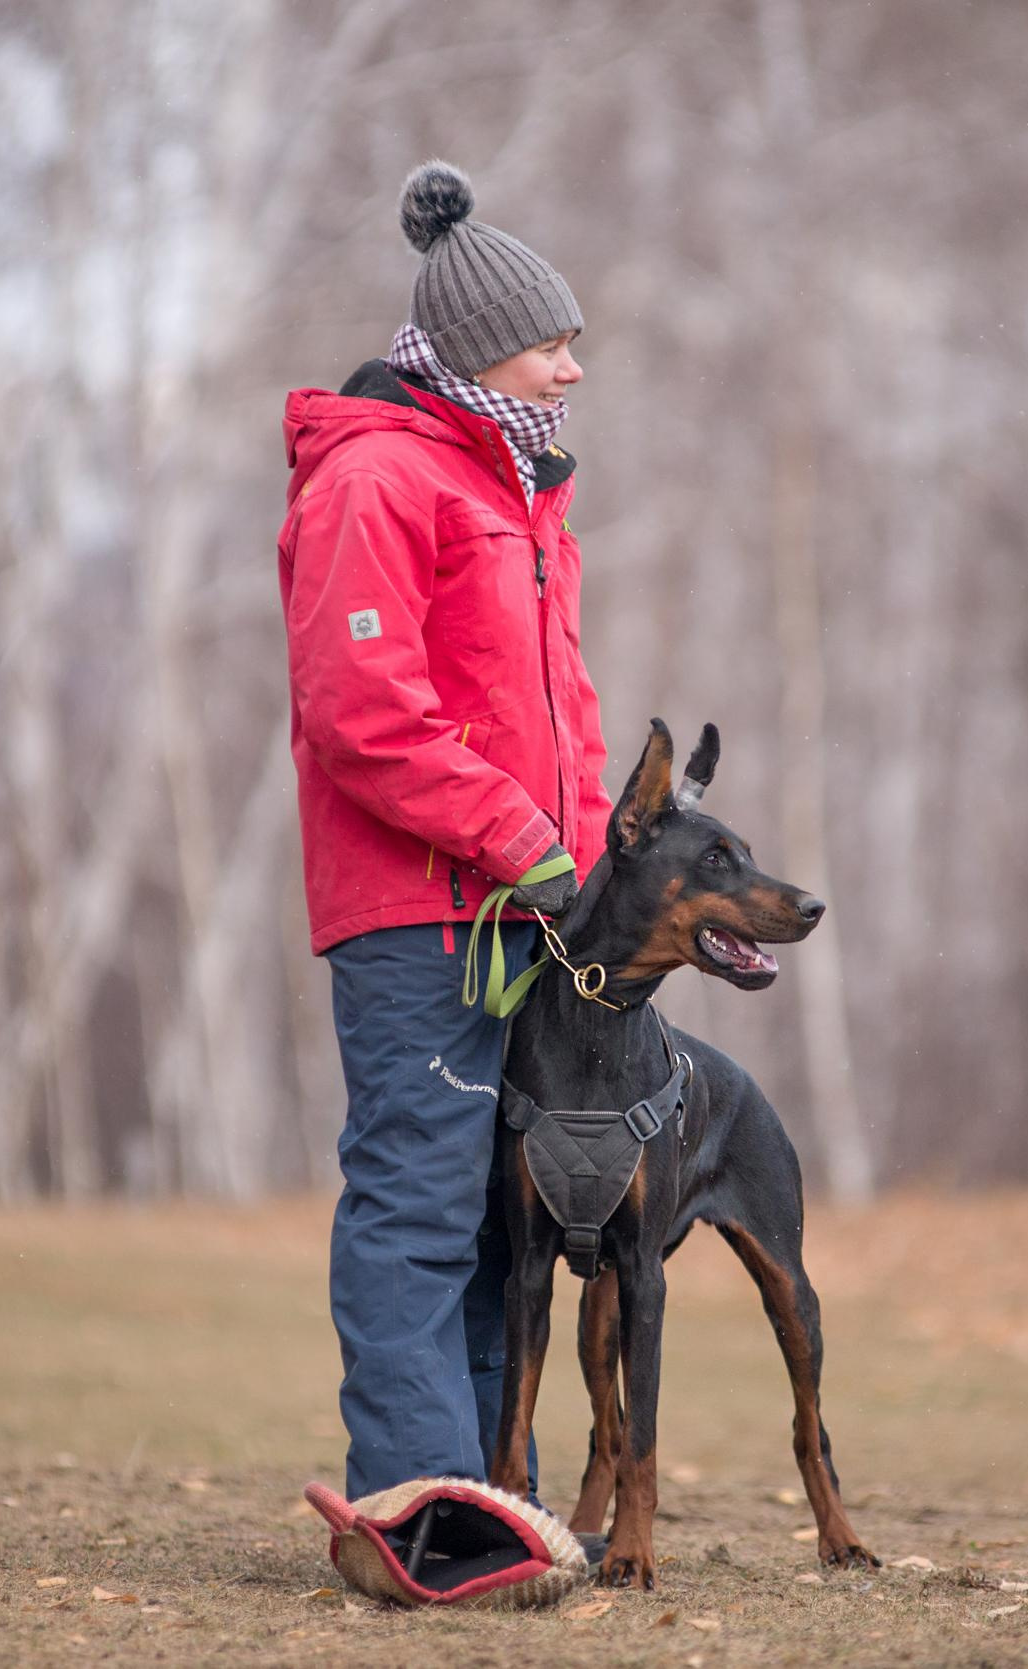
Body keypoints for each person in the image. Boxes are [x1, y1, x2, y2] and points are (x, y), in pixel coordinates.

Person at [276, 161, 613, 1502]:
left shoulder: (518, 491)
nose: (572, 369)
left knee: (497, 1222)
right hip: (420, 913)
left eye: (575, 342)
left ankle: (497, 1499)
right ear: (478, 351)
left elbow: (565, 714)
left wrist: (582, 871)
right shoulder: (374, 479)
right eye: (551, 343)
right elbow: (361, 708)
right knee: (418, 1208)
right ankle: (421, 1505)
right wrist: (516, 836)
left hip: (519, 915)